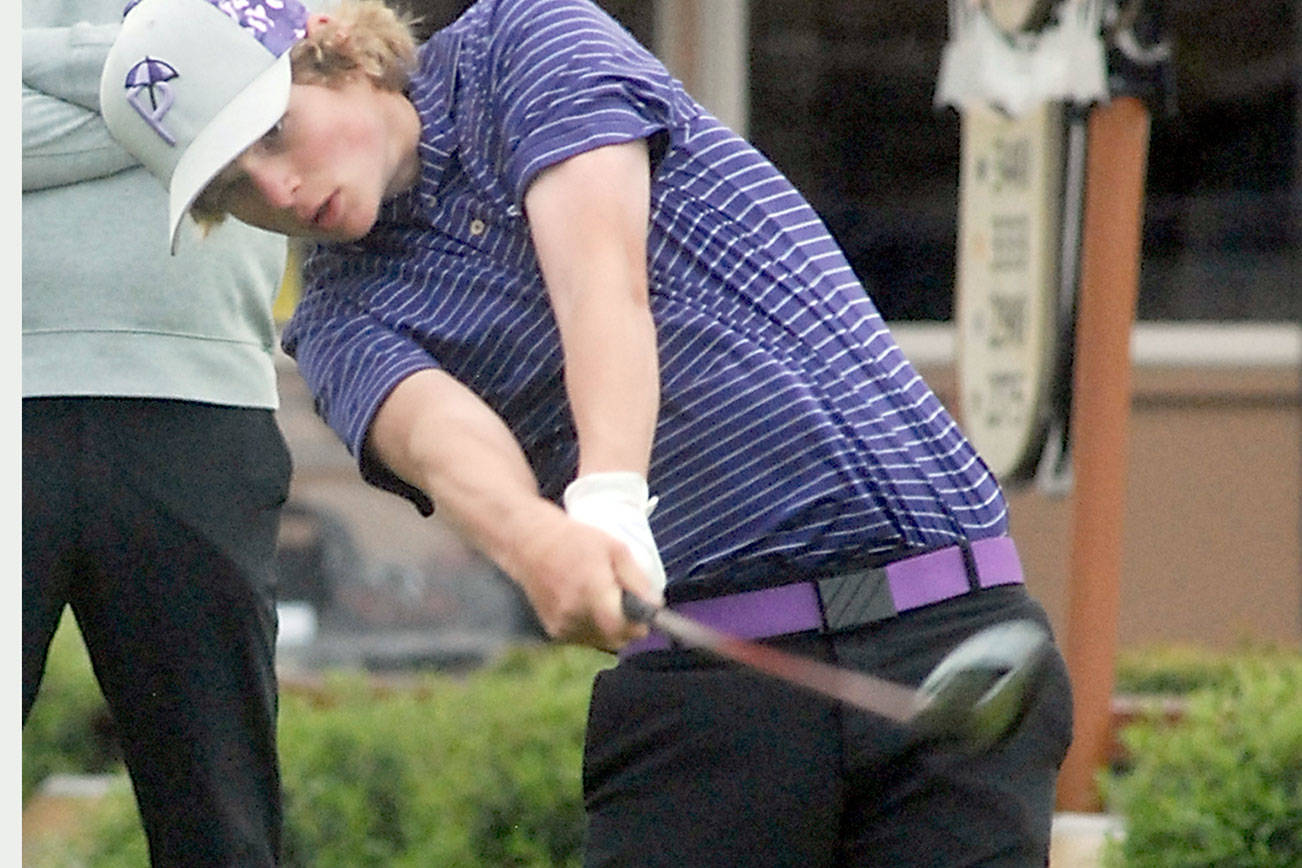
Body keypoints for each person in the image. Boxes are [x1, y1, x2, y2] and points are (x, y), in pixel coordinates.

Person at [101, 0, 1074, 863]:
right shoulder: (340, 321)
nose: (275, 190)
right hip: (712, 695)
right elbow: (444, 441)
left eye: (274, 135)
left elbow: (600, 283)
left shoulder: (527, 41)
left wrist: (608, 497)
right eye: (233, 188)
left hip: (955, 634)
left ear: (333, 52)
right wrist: (537, 540)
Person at [23, 1, 293, 864]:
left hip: (204, 407)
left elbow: (285, 83)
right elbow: (223, 100)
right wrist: (179, 105)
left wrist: (34, 66)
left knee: (221, 828)